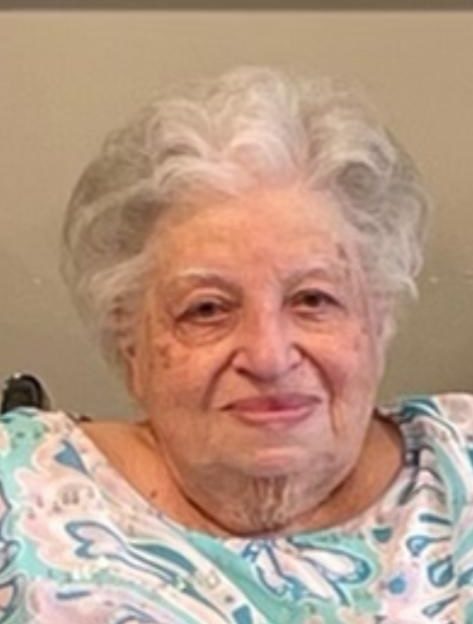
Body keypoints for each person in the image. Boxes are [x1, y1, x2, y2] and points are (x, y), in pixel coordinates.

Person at [1, 66, 472, 624]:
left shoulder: (460, 461)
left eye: (313, 299)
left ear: (378, 319)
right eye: (208, 309)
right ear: (129, 342)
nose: (269, 357)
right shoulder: (17, 493)